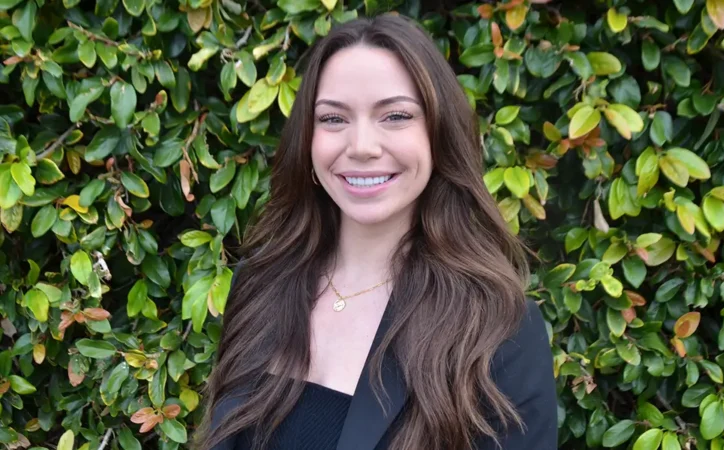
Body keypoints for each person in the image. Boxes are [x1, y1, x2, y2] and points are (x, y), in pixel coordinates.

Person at [192, 13, 558, 450]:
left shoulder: (498, 328)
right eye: (333, 119)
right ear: (307, 139)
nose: (362, 146)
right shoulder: (260, 283)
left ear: (438, 135)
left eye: (395, 116)